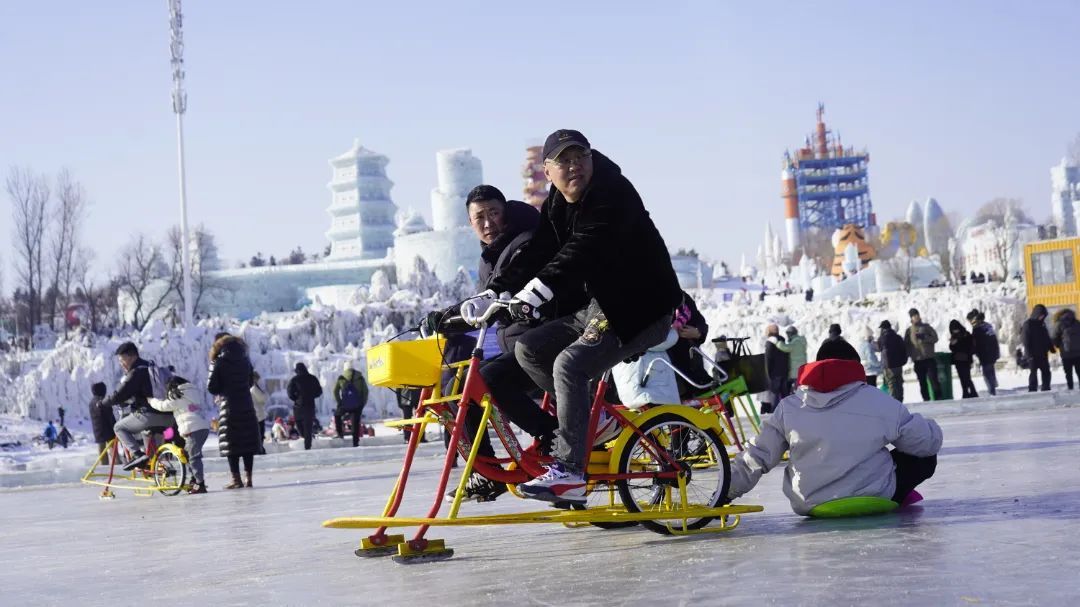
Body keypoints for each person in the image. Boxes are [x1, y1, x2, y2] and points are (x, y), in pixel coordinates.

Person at [479, 129, 682, 504]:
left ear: (591, 159)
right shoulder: (557, 202)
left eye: (580, 157)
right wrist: (495, 291)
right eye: (564, 161)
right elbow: (540, 251)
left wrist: (537, 292)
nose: (574, 166)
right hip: (600, 306)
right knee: (529, 349)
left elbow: (583, 249)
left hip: (641, 307)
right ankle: (594, 421)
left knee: (569, 364)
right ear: (547, 171)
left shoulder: (612, 193)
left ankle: (571, 472)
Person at [423, 184, 559, 502]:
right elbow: (484, 304)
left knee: (489, 378)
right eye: (479, 218)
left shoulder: (526, 243)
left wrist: (460, 311)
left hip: (546, 342)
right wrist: (448, 319)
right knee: (462, 385)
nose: (487, 223)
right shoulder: (490, 257)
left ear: (505, 213)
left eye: (493, 213)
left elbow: (503, 289)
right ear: (470, 223)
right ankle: (484, 472)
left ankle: (552, 434)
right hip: (517, 346)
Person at [726, 338, 943, 515]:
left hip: (810, 501)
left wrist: (724, 492)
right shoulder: (876, 400)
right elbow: (927, 443)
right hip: (874, 493)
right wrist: (929, 427)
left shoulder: (789, 407)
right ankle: (894, 493)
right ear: (855, 367)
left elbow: (758, 455)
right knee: (923, 456)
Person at [105, 342, 175, 471]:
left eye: (122, 360)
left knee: (119, 427)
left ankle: (137, 455)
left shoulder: (137, 372)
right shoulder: (153, 368)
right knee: (147, 435)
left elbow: (119, 395)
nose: (121, 364)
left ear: (132, 356)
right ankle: (154, 467)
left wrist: (103, 402)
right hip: (169, 417)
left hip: (150, 415)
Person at [207, 333, 261, 489]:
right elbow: (250, 382)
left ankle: (236, 479)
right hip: (246, 405)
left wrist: (223, 390)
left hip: (229, 406)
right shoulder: (245, 361)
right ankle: (248, 478)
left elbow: (211, 387)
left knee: (232, 444)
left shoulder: (219, 362)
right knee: (247, 444)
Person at [149, 376, 211, 494]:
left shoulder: (178, 395)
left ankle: (200, 484)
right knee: (188, 454)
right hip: (202, 427)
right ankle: (194, 480)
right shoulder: (192, 392)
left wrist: (151, 400)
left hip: (193, 428)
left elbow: (163, 406)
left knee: (194, 457)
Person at [666, 292, 712, 399]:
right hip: (670, 370)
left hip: (693, 366)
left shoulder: (681, 297)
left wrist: (698, 332)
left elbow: (700, 321)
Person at [904, 309, 942, 401]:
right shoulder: (909, 331)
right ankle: (926, 400)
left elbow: (935, 338)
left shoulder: (927, 327)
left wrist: (925, 337)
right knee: (922, 382)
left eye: (917, 315)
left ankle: (939, 399)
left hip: (929, 359)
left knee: (934, 381)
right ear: (911, 318)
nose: (916, 317)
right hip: (918, 361)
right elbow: (906, 345)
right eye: (914, 316)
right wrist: (909, 355)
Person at [287, 362, 323, 450]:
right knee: (308, 427)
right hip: (309, 406)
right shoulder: (313, 378)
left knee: (299, 424)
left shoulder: (294, 380)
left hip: (298, 407)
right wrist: (312, 395)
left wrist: (296, 398)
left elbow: (289, 392)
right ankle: (308, 446)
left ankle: (305, 438)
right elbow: (319, 391)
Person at [333, 361, 369, 447]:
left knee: (337, 415)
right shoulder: (360, 378)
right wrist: (362, 404)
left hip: (345, 405)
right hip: (357, 405)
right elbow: (366, 391)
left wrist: (339, 402)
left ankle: (340, 434)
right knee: (355, 423)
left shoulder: (341, 378)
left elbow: (335, 391)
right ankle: (355, 443)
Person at [1021, 304, 1054, 392]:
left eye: (1043, 316)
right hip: (1032, 355)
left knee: (1046, 372)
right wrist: (1029, 355)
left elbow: (1046, 337)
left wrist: (1051, 347)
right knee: (1033, 373)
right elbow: (1025, 341)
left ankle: (1046, 388)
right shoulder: (1028, 324)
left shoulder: (1042, 324)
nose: (1042, 317)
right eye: (1041, 315)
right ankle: (1032, 390)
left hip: (1043, 353)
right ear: (1036, 314)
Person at [968, 309, 1000, 396]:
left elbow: (976, 344)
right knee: (990, 371)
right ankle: (993, 387)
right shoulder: (988, 326)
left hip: (985, 355)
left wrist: (972, 352)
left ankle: (992, 392)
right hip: (992, 353)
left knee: (987, 374)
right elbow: (994, 340)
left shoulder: (977, 329)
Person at [876, 320, 908, 402]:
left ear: (883, 328)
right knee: (899, 383)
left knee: (891, 384)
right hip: (898, 365)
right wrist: (903, 361)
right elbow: (904, 349)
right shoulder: (897, 337)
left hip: (888, 366)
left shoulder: (882, 338)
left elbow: (879, 348)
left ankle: (894, 402)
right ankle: (900, 400)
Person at [948, 320, 978, 398]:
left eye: (955, 329)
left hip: (966, 359)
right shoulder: (954, 336)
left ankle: (973, 392)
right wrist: (953, 344)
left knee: (967, 377)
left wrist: (958, 343)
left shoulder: (966, 334)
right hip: (958, 360)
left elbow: (970, 346)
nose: (955, 331)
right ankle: (965, 392)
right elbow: (952, 348)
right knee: (962, 378)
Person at [774, 325, 808, 395]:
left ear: (791, 333)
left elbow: (786, 348)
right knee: (797, 386)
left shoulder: (796, 341)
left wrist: (777, 343)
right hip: (800, 367)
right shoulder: (800, 340)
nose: (787, 336)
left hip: (796, 369)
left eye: (788, 334)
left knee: (796, 388)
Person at [763, 324, 789, 414]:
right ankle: (788, 412)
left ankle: (774, 414)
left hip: (774, 373)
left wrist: (768, 375)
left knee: (775, 395)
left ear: (769, 332)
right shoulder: (782, 341)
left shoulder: (770, 342)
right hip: (784, 371)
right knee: (784, 394)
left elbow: (768, 359)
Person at [1052, 308, 1080, 390]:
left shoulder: (1059, 324)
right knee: (1079, 371)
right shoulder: (1077, 323)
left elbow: (1055, 337)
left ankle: (1070, 387)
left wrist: (1058, 346)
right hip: (1078, 353)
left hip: (1066, 353)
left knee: (1068, 373)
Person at [88, 381, 115, 457]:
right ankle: (117, 463)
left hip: (98, 430)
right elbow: (109, 414)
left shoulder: (92, 402)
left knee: (102, 453)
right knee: (113, 451)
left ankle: (104, 464)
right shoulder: (102, 400)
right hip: (108, 429)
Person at [250, 371, 269, 454]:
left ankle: (259, 449)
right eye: (257, 379)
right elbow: (263, 398)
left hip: (254, 415)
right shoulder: (254, 388)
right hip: (258, 415)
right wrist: (265, 393)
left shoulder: (248, 387)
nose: (258, 381)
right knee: (260, 434)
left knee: (256, 435)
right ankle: (260, 450)